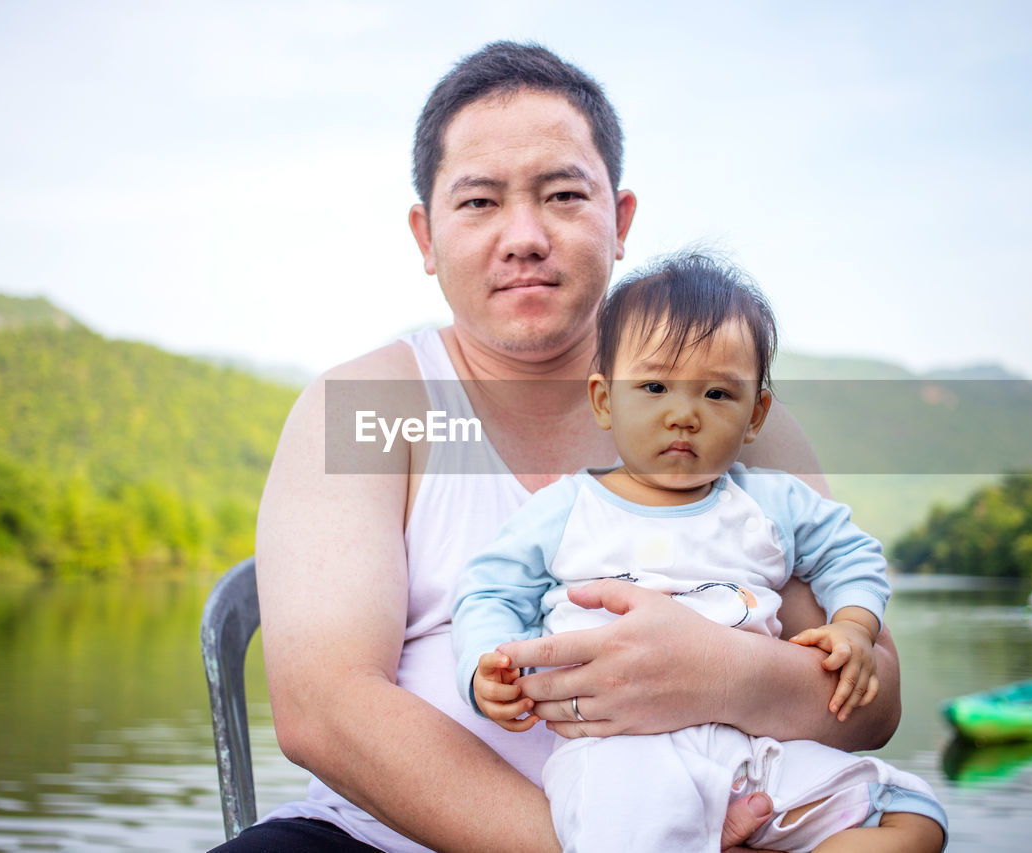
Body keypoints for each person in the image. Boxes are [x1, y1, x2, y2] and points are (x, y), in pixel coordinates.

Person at [229, 41, 903, 853]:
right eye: (479, 202)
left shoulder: (730, 422)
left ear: (618, 222)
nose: (524, 236)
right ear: (426, 234)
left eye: (561, 195)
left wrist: (719, 673)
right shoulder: (370, 409)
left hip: (719, 824)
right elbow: (324, 709)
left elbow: (874, 701)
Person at [453, 254, 946, 852]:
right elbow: (490, 591)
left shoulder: (770, 502)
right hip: (621, 755)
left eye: (717, 393)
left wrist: (854, 624)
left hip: (753, 751)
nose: (683, 414)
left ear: (755, 414)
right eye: (655, 386)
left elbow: (853, 556)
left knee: (912, 817)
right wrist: (486, 668)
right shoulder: (566, 509)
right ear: (605, 400)